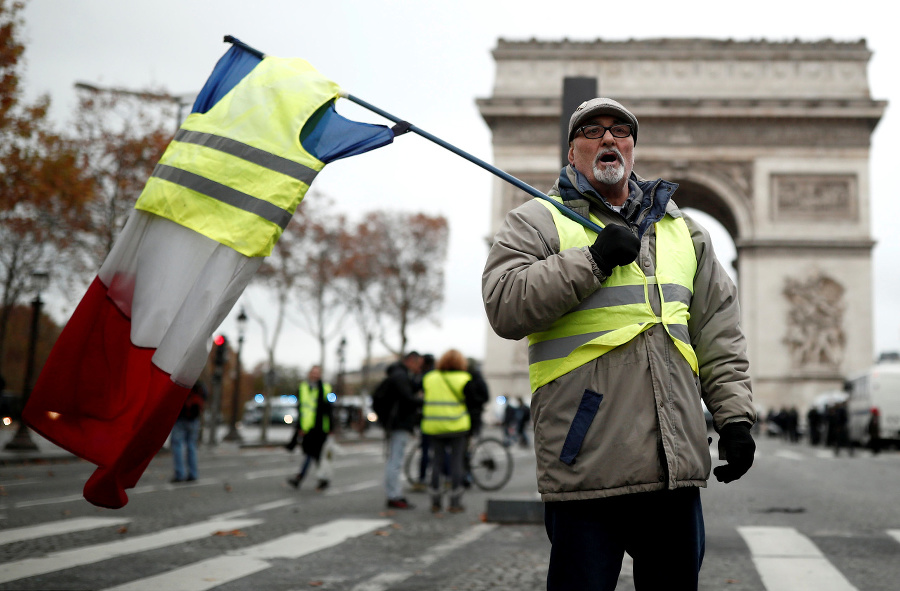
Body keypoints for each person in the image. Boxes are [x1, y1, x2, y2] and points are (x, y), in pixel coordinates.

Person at [482, 97, 757, 591]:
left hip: (672, 465)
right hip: (587, 460)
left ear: (632, 148)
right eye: (592, 130)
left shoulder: (683, 232)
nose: (608, 138)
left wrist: (734, 416)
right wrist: (592, 261)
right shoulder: (537, 221)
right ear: (572, 152)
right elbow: (503, 303)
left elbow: (717, 329)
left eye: (619, 130)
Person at [421, 349, 472, 513]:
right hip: (457, 425)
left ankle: (435, 501)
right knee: (457, 463)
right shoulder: (465, 379)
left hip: (434, 426)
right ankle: (455, 502)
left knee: (436, 462)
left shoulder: (429, 378)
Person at [380, 351, 423, 509]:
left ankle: (394, 494)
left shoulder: (397, 375)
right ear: (411, 361)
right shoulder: (401, 376)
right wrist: (421, 402)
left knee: (394, 460)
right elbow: (407, 399)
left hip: (394, 423)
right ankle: (394, 495)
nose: (419, 368)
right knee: (395, 461)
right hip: (399, 423)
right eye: (418, 364)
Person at [287, 366, 334, 491]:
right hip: (308, 428)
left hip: (321, 428)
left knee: (311, 453)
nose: (315, 375)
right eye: (313, 373)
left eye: (317, 373)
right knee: (315, 455)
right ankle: (323, 479)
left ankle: (299, 478)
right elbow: (301, 408)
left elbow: (329, 410)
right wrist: (300, 427)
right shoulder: (303, 388)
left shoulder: (326, 388)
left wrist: (330, 427)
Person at [170, 381, 206, 483]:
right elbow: (205, 396)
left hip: (180, 418)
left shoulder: (180, 381)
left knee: (177, 445)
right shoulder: (199, 385)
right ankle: (193, 473)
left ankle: (180, 473)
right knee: (192, 446)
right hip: (194, 420)